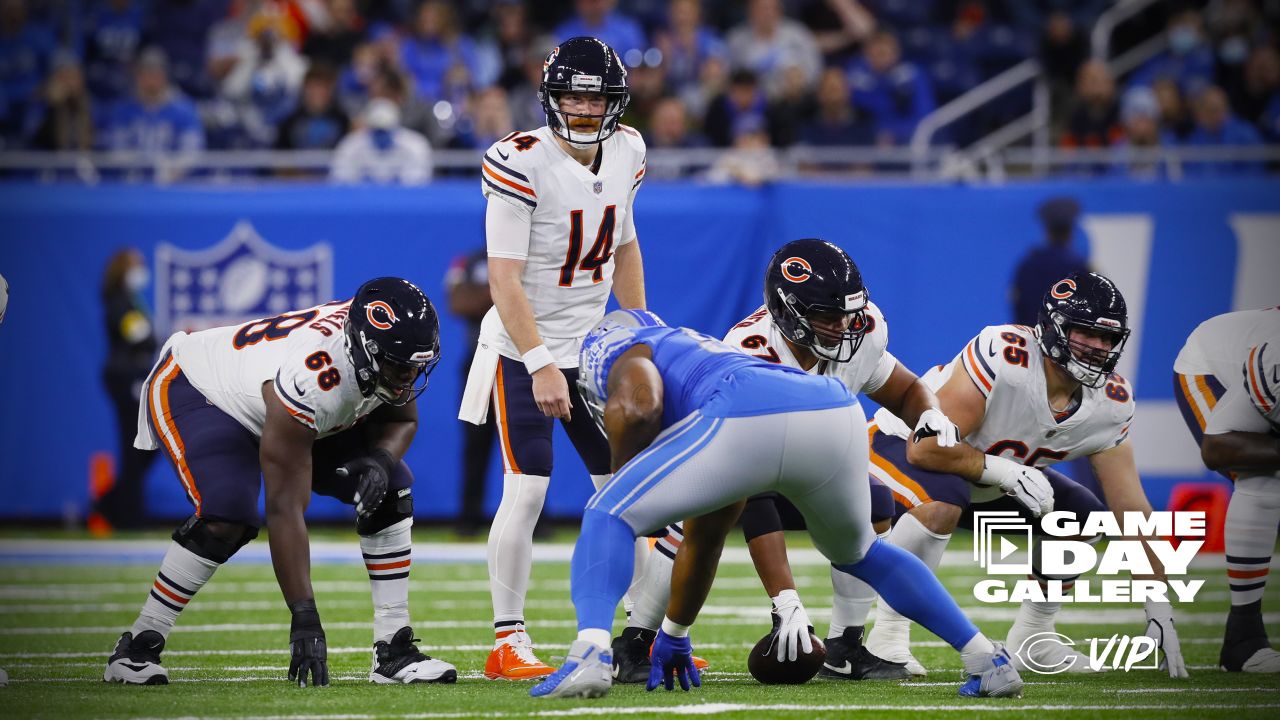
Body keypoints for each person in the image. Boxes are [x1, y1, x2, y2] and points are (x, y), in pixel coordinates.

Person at [529, 309, 1023, 700]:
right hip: (832, 408)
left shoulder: (621, 350)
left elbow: (637, 403)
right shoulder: (690, 352)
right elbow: (704, 538)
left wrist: (625, 479)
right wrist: (675, 634)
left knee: (606, 513)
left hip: (745, 410)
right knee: (862, 553)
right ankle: (986, 659)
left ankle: (589, 651)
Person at [610, 239, 961, 683]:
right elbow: (752, 490)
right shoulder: (750, 352)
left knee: (872, 497)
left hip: (802, 463)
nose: (843, 327)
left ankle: (844, 647)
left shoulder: (862, 332)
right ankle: (637, 640)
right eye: (827, 317)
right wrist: (786, 600)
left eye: (848, 315)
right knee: (698, 519)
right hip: (723, 462)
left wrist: (928, 412)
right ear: (787, 313)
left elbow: (905, 387)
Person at [103, 278, 457, 687]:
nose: (409, 376)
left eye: (416, 364)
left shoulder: (384, 346)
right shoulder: (314, 376)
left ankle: (393, 650)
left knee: (391, 487)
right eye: (401, 365)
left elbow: (403, 420)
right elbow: (285, 507)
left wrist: (380, 459)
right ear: (366, 348)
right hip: (201, 387)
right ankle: (137, 646)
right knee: (228, 511)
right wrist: (304, 617)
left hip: (279, 399)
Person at [862, 273, 1187, 679]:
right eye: (1086, 334)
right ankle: (887, 638)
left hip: (982, 480)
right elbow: (926, 447)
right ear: (1053, 328)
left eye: (1108, 338)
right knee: (942, 501)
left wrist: (1157, 603)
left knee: (1082, 516)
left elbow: (1131, 507)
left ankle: (1035, 636)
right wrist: (1005, 472)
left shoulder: (1112, 402)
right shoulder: (1007, 355)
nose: (1099, 348)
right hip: (898, 446)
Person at [457, 36, 648, 681]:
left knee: (627, 493)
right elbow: (503, 278)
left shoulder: (628, 151)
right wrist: (539, 360)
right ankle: (507, 639)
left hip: (593, 347)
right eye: (572, 95)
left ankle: (639, 635)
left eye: (596, 96)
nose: (585, 108)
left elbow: (624, 244)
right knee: (528, 489)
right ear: (550, 98)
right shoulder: (519, 162)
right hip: (523, 347)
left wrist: (638, 330)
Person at [1173, 307, 1280, 673]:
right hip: (1213, 367)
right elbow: (1217, 447)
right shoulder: (1275, 361)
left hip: (1255, 363)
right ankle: (1243, 639)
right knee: (1263, 476)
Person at [94, 249, 159, 531]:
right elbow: (138, 337)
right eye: (136, 265)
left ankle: (110, 504)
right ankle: (129, 517)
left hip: (137, 374)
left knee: (147, 444)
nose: (141, 270)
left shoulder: (132, 301)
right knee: (134, 445)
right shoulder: (118, 302)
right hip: (126, 377)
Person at [445, 248, 496, 536]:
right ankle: (469, 518)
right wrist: (504, 291)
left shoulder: (533, 254)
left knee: (526, 440)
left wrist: (486, 294)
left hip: (518, 361)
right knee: (475, 442)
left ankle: (536, 521)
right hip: (479, 360)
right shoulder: (468, 261)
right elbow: (458, 302)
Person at [1009, 197, 1089, 327]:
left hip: (1030, 337)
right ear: (1071, 232)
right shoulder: (1079, 266)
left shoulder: (1029, 263)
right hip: (1063, 340)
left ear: (1047, 230)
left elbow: (1018, 305)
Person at [330, 98, 433, 185]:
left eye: (385, 130)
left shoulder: (415, 145)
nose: (381, 135)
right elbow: (340, 178)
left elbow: (420, 180)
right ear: (368, 127)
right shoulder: (351, 145)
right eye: (377, 130)